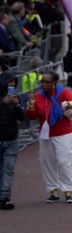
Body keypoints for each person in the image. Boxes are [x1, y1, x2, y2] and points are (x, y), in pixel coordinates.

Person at [24, 71, 72, 203]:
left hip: (63, 132)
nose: (43, 84)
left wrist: (68, 105)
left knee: (64, 161)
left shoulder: (63, 92)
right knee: (47, 162)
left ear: (54, 83)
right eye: (42, 81)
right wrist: (30, 105)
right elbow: (31, 117)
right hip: (45, 133)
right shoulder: (38, 96)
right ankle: (53, 191)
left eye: (46, 82)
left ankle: (68, 191)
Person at [0, 71, 25, 209]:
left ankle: (5, 198)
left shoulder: (16, 98)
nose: (11, 85)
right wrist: (3, 103)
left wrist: (17, 106)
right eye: (9, 82)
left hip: (11, 138)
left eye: (13, 83)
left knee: (8, 169)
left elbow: (22, 118)